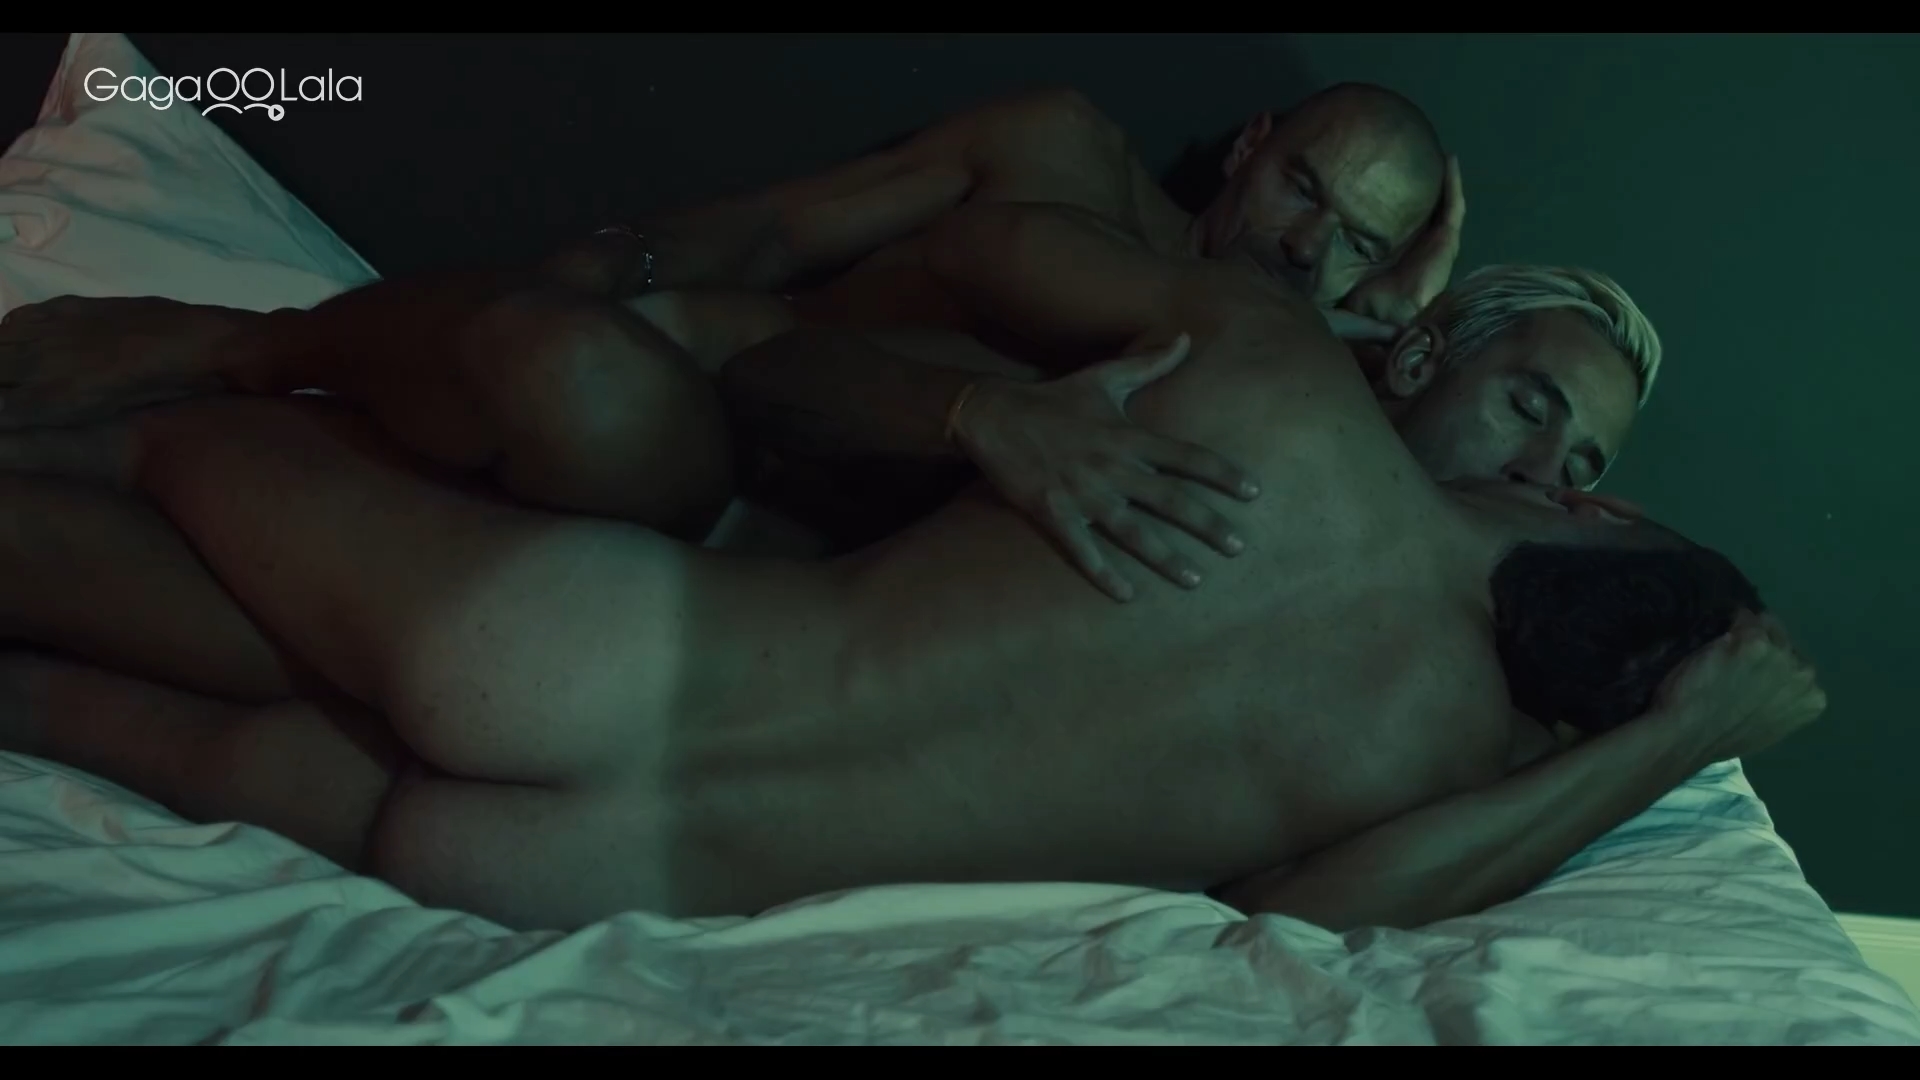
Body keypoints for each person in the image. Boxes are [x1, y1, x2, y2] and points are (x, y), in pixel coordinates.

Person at [0, 199, 1823, 934]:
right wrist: (984, 416)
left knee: (161, 471)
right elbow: (834, 322)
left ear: (1596, 522)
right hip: (588, 872)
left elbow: (1327, 911)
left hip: (590, 656)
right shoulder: (1419, 754)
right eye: (1534, 406)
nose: (1543, 464)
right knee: (106, 658)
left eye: (1584, 469)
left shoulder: (1266, 390)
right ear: (1426, 349)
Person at [0, 82, 1468, 588]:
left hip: (751, 548)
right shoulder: (1061, 158)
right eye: (1305, 188)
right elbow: (770, 235)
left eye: (1357, 238)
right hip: (687, 379)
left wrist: (1399, 330)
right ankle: (238, 346)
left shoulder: (1287, 391)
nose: (1307, 245)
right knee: (560, 369)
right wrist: (589, 272)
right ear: (1252, 146)